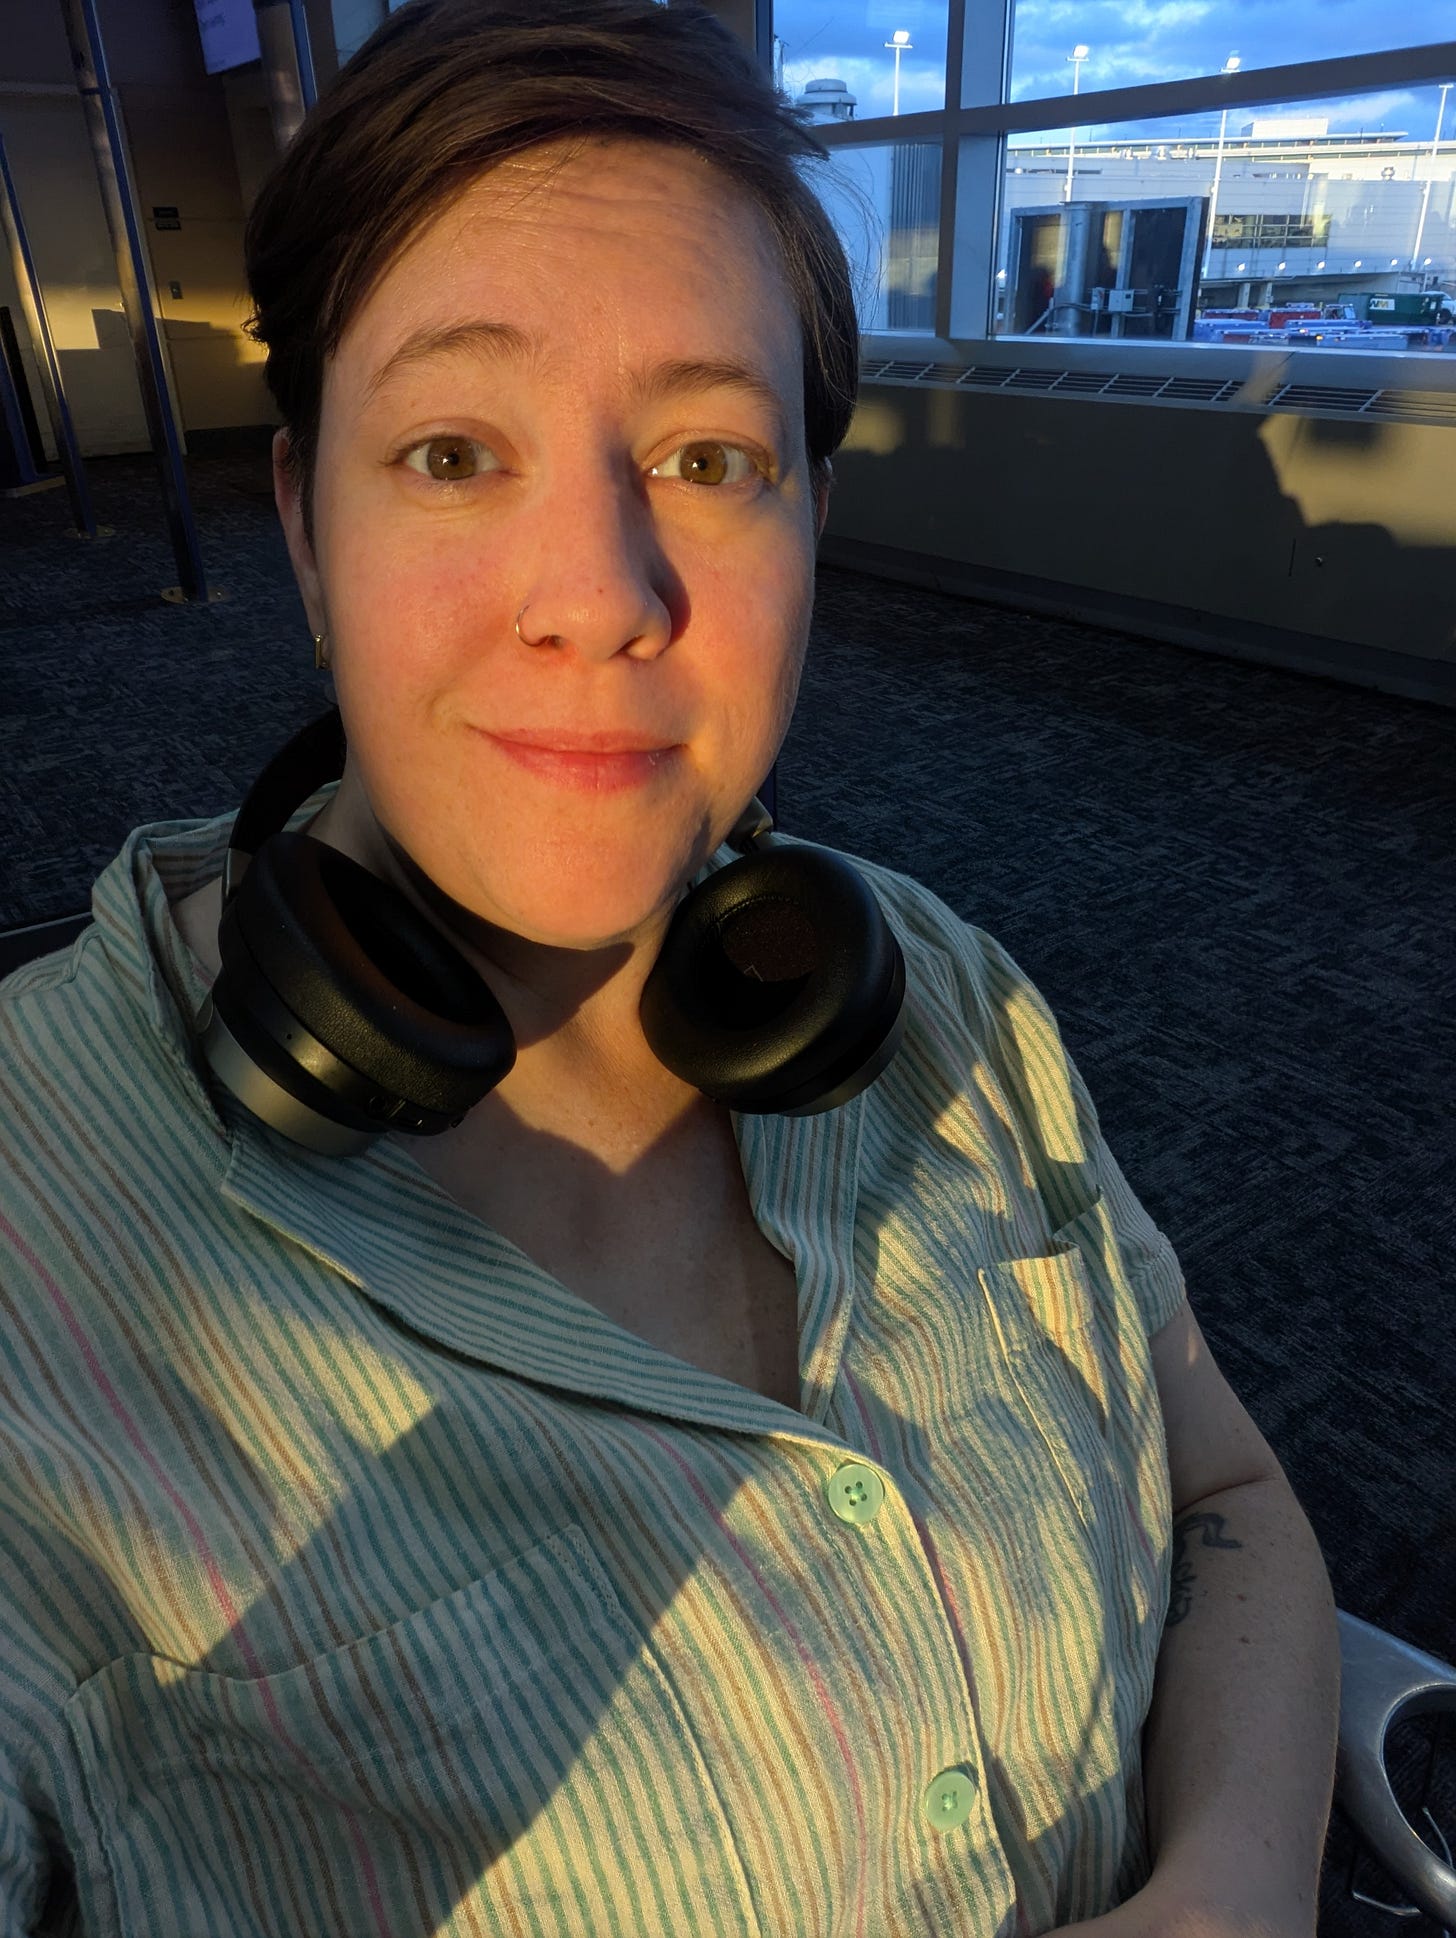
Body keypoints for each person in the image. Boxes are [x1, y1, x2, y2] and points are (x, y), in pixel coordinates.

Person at [0, 2, 1340, 1932]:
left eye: (709, 456)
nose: (606, 595)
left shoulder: (946, 1005)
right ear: (305, 529)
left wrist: (1224, 1887)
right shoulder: (40, 1236)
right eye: (456, 451)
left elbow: (1224, 1491)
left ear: (812, 523)